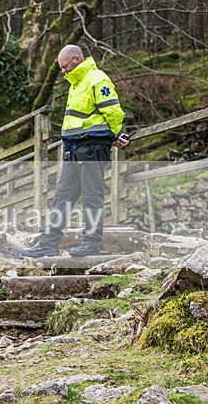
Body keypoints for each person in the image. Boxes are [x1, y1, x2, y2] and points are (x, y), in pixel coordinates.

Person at [22, 44, 130, 258]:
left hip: (91, 148)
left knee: (92, 196)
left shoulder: (97, 79)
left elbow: (113, 111)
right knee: (62, 196)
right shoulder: (76, 84)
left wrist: (112, 135)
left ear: (77, 59)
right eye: (61, 68)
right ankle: (48, 242)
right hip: (74, 149)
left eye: (65, 67)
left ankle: (92, 243)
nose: (63, 72)